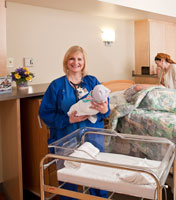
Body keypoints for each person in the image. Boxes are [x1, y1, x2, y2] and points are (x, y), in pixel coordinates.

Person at [39, 45, 109, 199]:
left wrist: (105, 110)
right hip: (66, 137)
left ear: (84, 62)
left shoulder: (92, 81)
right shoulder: (56, 86)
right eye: (72, 58)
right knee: (68, 180)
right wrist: (67, 119)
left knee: (96, 176)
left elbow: (106, 107)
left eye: (79, 59)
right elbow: (45, 113)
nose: (75, 62)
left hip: (93, 137)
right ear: (66, 61)